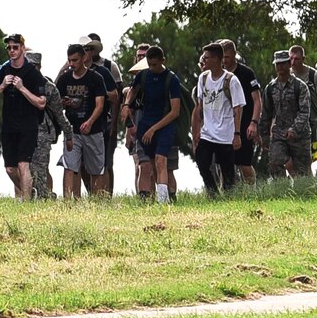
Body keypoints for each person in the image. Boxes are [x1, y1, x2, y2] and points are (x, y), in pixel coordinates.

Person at [0, 33, 50, 199]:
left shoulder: (33, 73)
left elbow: (41, 103)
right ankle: (29, 190)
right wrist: (1, 86)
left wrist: (22, 88)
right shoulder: (2, 70)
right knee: (10, 169)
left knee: (23, 165)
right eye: (9, 47)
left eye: (15, 47)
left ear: (23, 48)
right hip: (8, 125)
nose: (12, 50)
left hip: (28, 125)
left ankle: (27, 203)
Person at [127, 45, 183, 201]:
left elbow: (175, 111)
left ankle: (163, 200)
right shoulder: (143, 76)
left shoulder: (172, 80)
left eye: (155, 65)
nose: (152, 68)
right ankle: (152, 197)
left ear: (162, 61)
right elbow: (132, 91)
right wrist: (126, 105)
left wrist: (154, 129)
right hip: (145, 124)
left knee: (161, 160)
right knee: (150, 163)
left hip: (165, 126)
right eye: (149, 64)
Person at [56, 42, 109, 199]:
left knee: (95, 169)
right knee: (69, 166)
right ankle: (67, 202)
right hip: (72, 130)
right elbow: (56, 101)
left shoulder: (95, 78)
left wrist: (90, 121)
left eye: (75, 60)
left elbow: (100, 105)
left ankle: (97, 201)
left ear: (84, 58)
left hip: (93, 130)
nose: (72, 64)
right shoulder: (64, 79)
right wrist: (62, 103)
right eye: (69, 60)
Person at [190, 43, 244, 195]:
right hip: (208, 133)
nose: (204, 61)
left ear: (216, 59)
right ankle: (212, 193)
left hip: (225, 135)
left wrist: (237, 134)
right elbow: (200, 106)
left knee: (227, 171)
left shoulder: (231, 81)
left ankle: (229, 196)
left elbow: (238, 108)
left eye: (207, 58)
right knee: (202, 162)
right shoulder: (203, 78)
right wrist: (197, 131)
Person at [252, 49, 312, 180]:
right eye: (277, 64)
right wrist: (264, 136)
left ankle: (305, 195)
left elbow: (304, 111)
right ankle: (283, 191)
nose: (279, 67)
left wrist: (294, 129)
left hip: (300, 135)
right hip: (279, 133)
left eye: (283, 64)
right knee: (275, 163)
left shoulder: (300, 87)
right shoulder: (271, 88)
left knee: (303, 172)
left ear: (289, 64)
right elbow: (266, 114)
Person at [26, 51, 69, 200]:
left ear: (39, 66)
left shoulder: (49, 87)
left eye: (33, 66)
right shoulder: (19, 86)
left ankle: (44, 197)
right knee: (25, 167)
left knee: (40, 168)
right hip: (23, 131)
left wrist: (69, 135)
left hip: (43, 133)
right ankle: (35, 195)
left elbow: (59, 114)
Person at [84, 31, 121, 195]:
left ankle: (107, 195)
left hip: (104, 120)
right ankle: (93, 192)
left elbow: (116, 97)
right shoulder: (74, 68)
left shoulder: (108, 67)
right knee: (82, 163)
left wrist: (114, 123)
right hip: (83, 122)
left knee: (106, 162)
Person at [225, 39, 260, 186]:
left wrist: (254, 123)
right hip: (225, 124)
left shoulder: (246, 73)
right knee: (225, 162)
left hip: (245, 123)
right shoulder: (219, 75)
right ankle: (227, 193)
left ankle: (252, 191)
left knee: (244, 163)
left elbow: (257, 100)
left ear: (234, 54)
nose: (224, 60)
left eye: (226, 56)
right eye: (222, 57)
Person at [289, 44, 317, 174]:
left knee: (307, 162)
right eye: (291, 59)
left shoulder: (314, 76)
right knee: (288, 161)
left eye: (297, 59)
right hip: (292, 123)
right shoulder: (287, 75)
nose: (293, 62)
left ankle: (308, 190)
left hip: (312, 125)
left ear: (303, 59)